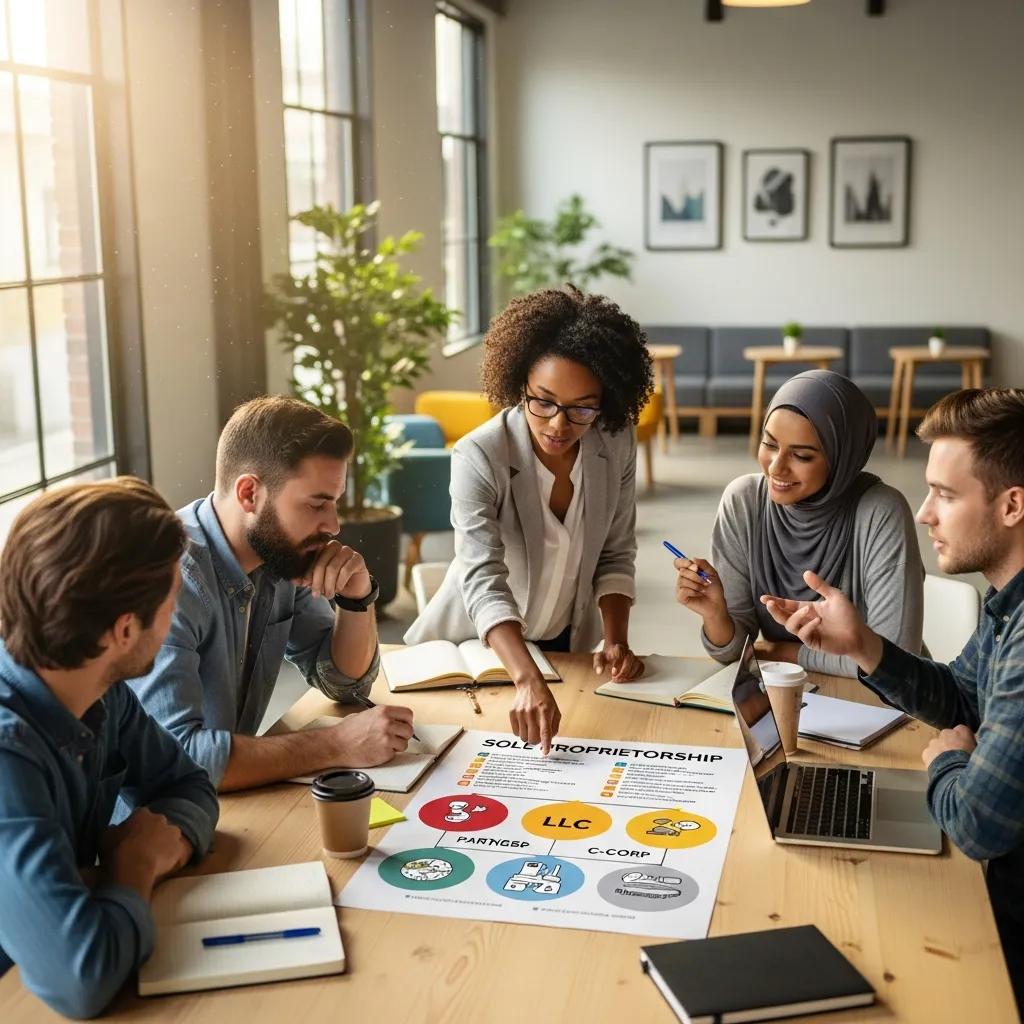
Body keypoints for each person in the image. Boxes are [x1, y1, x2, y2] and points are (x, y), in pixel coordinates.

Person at [758, 387, 1024, 1008]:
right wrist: (863, 647)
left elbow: (978, 822)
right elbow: (962, 697)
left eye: (946, 495)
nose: (925, 512)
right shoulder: (1007, 601)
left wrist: (949, 761)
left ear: (1013, 505)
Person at [0, 479, 219, 1019]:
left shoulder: (100, 689)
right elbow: (81, 979)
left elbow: (190, 785)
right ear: (124, 630)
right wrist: (135, 867)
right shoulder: (7, 754)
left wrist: (133, 863)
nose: (173, 620)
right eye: (171, 604)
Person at [406, 285, 655, 754]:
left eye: (582, 407)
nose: (559, 424)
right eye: (543, 401)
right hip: (477, 654)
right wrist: (525, 679)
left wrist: (615, 639)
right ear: (518, 382)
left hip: (565, 646)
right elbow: (483, 577)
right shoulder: (480, 454)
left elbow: (616, 550)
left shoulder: (615, 442)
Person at [130, 396, 413, 791]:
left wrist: (356, 597)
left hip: (228, 802)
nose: (333, 525)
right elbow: (178, 759)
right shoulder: (172, 582)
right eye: (317, 504)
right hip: (146, 828)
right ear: (249, 494)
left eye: (334, 503)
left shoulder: (278, 556)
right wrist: (335, 744)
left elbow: (345, 685)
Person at [674, 369, 924, 677]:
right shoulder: (744, 502)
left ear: (842, 458)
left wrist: (787, 653)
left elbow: (897, 663)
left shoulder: (881, 512)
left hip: (884, 701)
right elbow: (738, 654)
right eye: (769, 444)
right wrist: (716, 614)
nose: (776, 467)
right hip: (791, 692)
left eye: (802, 456)